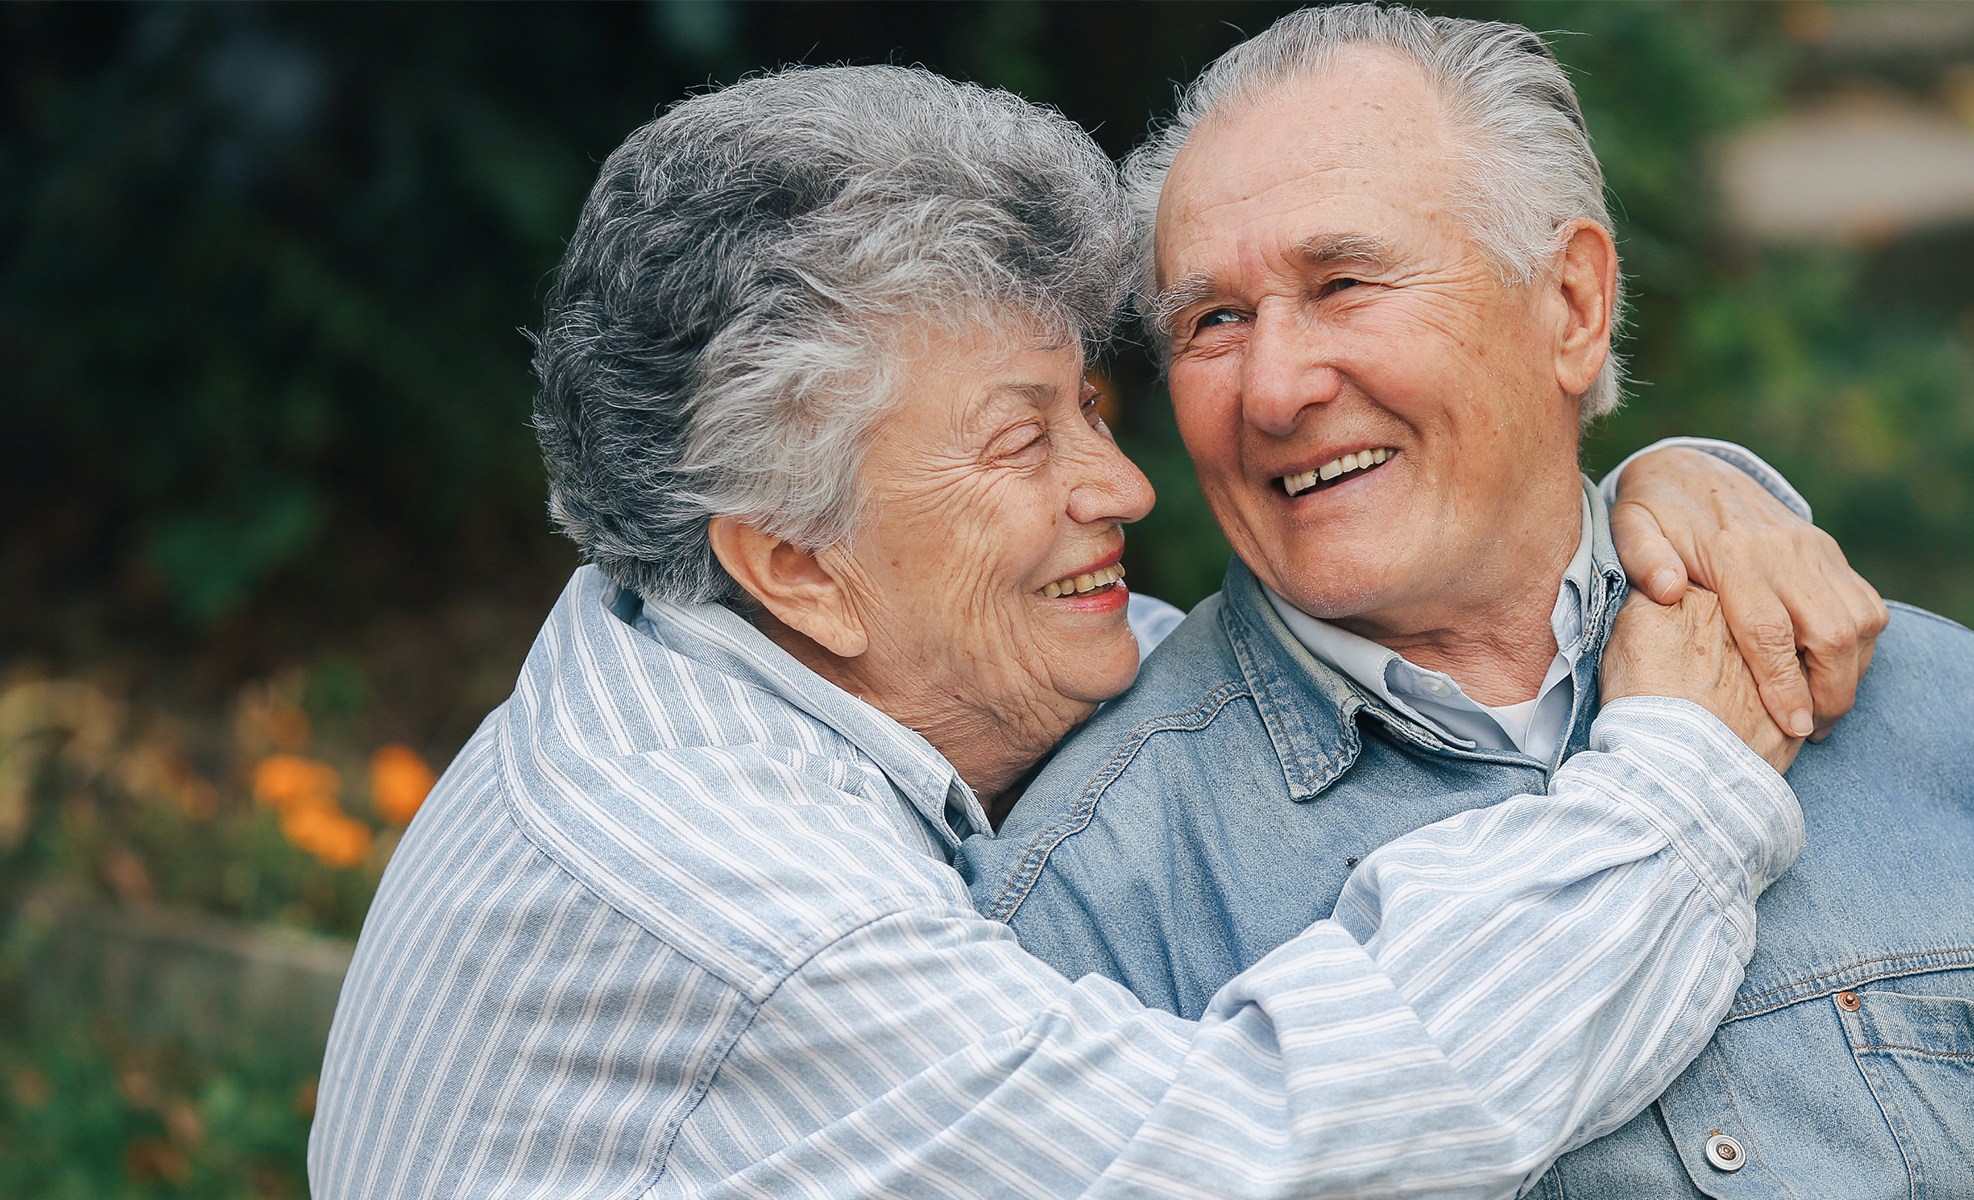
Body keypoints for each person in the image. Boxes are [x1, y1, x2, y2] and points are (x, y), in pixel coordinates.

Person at [309, 62, 1889, 1198]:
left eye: (1092, 405)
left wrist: (1662, 498)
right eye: (1023, 443)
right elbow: (1268, 1146)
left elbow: (1370, 606)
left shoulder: (753, 635)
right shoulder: (738, 903)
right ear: (792, 559)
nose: (1124, 483)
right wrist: (1678, 787)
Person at [963, 7, 1974, 1197]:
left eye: (1344, 282)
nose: (1274, 388)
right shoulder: (1096, 898)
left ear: (1572, 306)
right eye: (1213, 321)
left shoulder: (1941, 709)